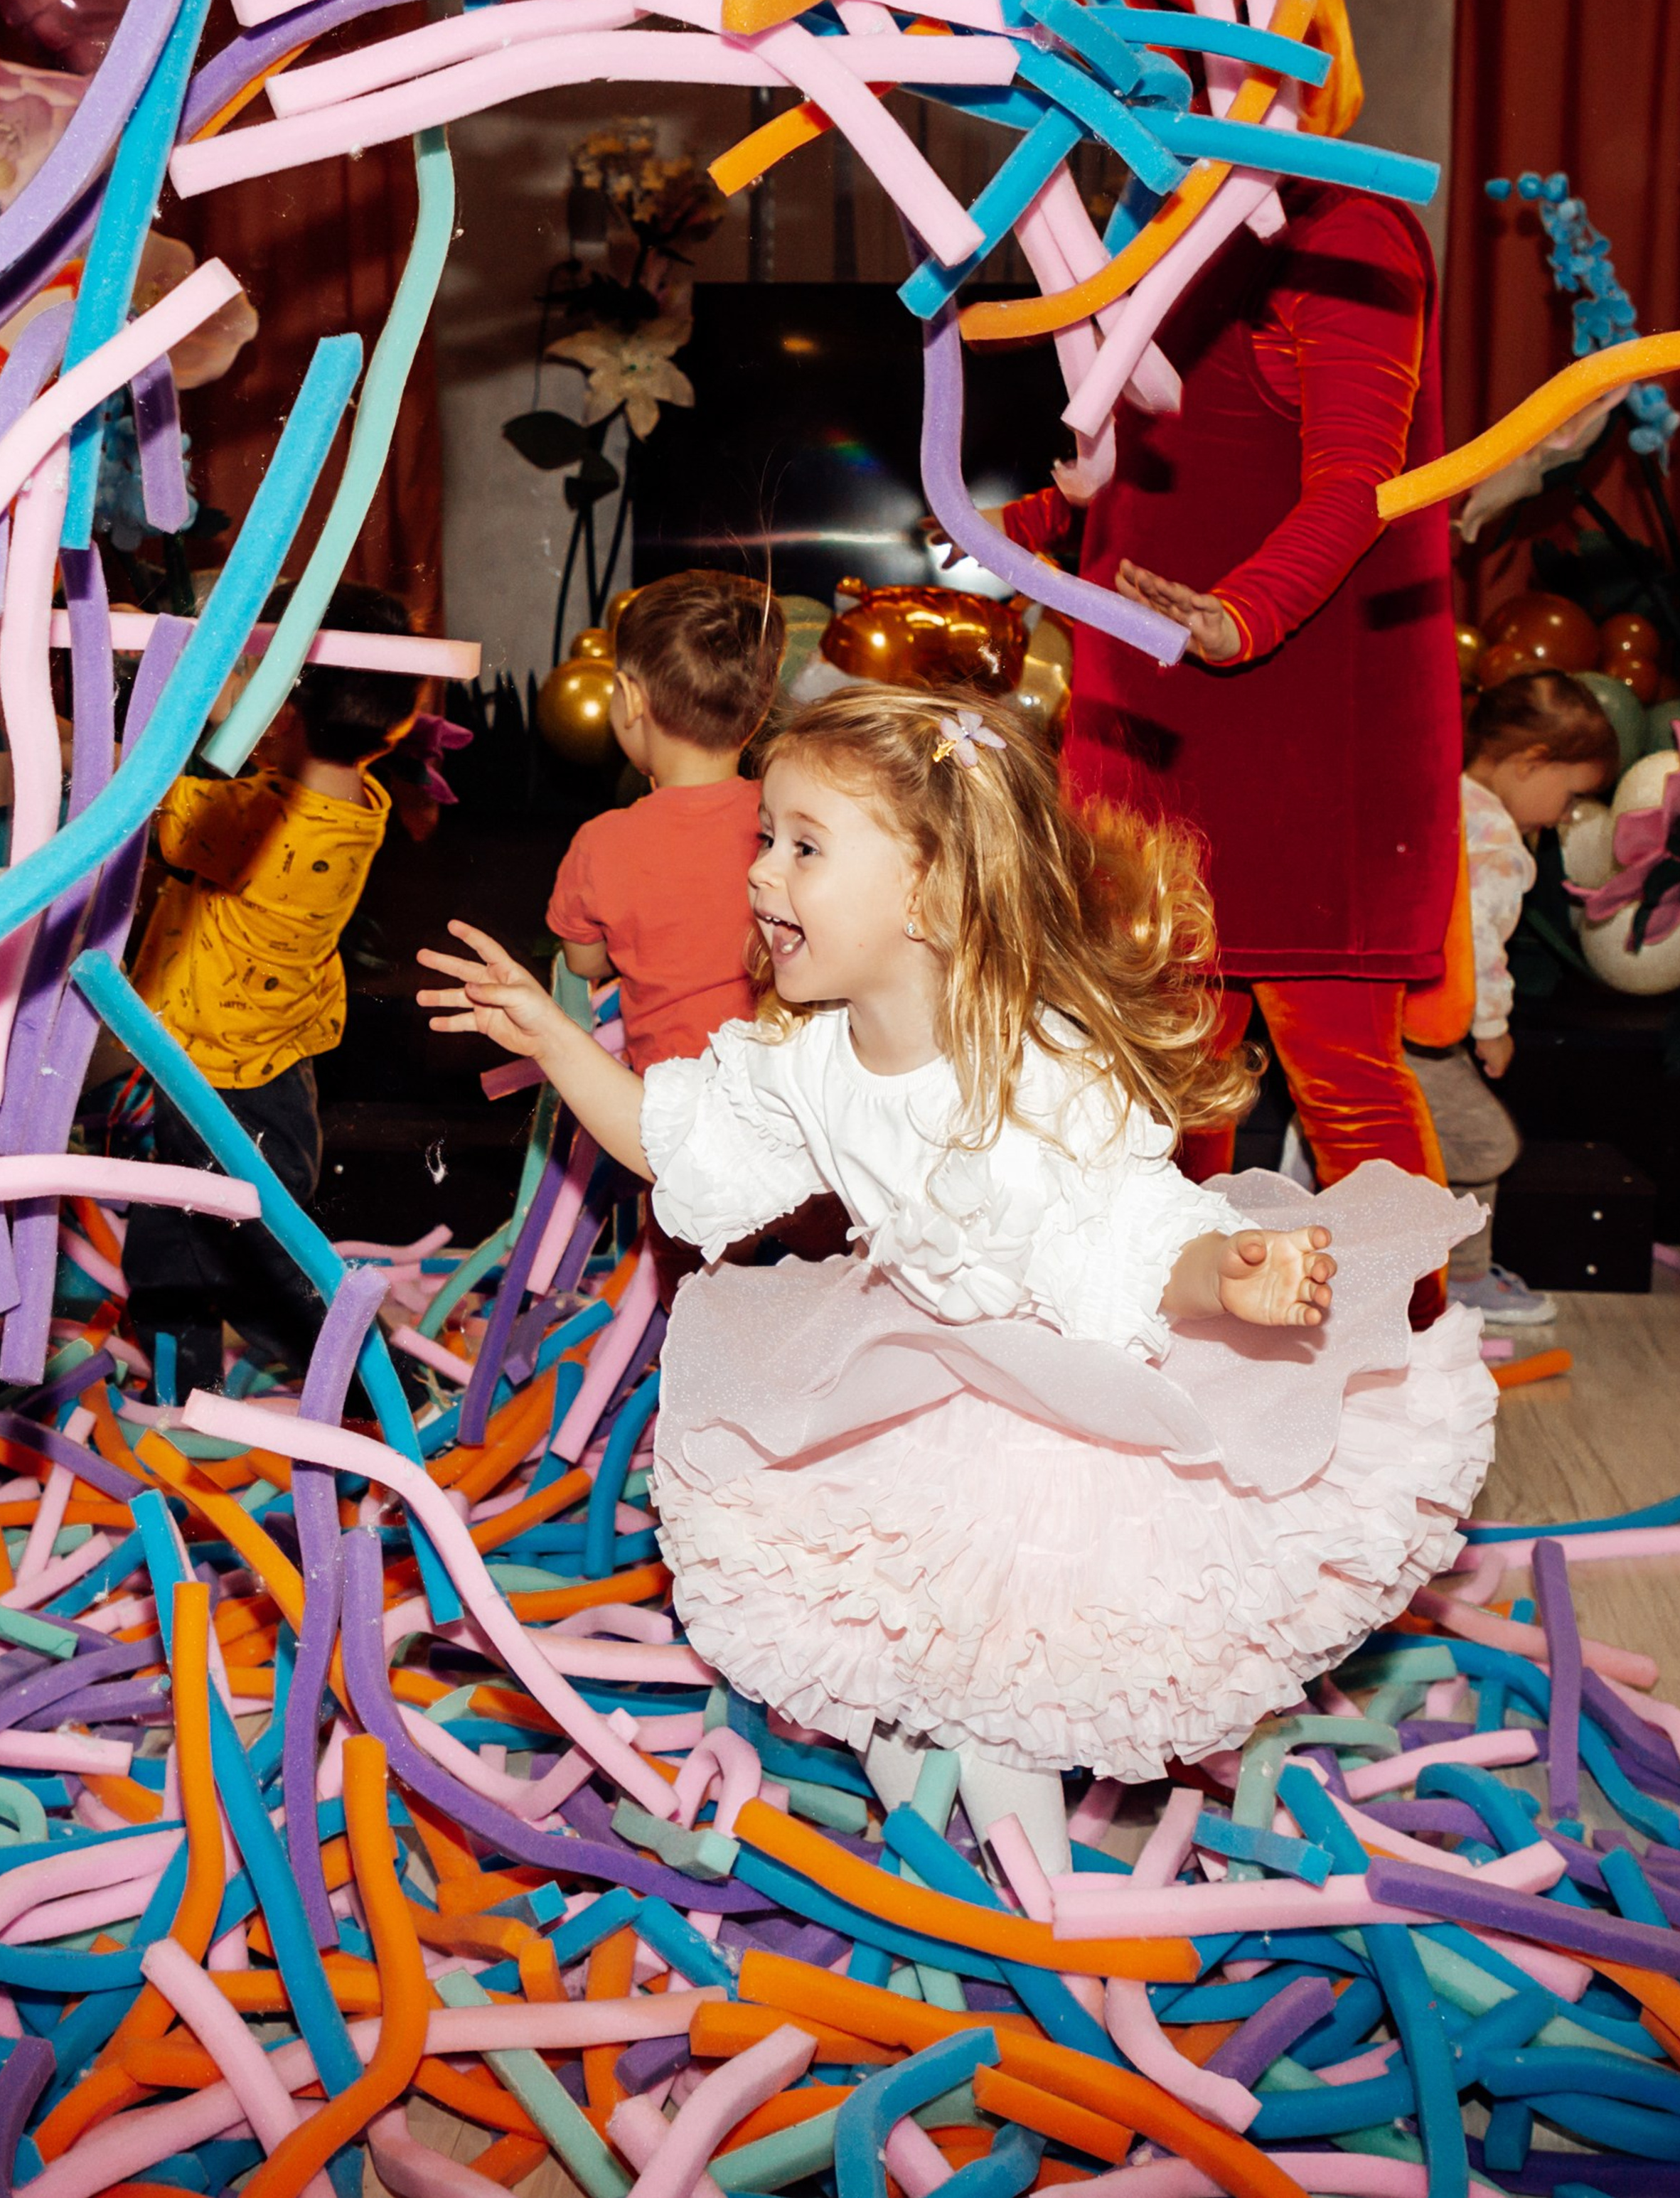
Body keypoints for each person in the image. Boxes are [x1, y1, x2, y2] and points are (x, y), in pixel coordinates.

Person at [418, 687, 1492, 1866]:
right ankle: (947, 1868)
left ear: (929, 893)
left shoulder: (1037, 1065)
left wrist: (1216, 1280)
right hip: (909, 1375)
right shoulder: (803, 1059)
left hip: (1062, 1410)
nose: (765, 874)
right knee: (875, 1661)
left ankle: (1035, 1915)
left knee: (1004, 1701)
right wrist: (560, 1038)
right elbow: (683, 1147)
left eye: (806, 847)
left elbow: (1124, 1236)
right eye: (765, 838)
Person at [974, 0, 1462, 1325]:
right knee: (1165, 1090)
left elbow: (1348, 486)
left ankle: (1403, 1391)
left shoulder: (1344, 232)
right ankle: (1178, 1367)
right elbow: (1146, 462)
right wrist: (1035, 525)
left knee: (1337, 1079)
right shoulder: (1152, 227)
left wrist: (1235, 616)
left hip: (1304, 741)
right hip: (1153, 739)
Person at [119, 584, 419, 1398]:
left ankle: (377, 1391)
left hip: (231, 1082)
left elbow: (157, 808)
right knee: (174, 1237)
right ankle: (182, 1392)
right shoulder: (344, 806)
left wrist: (179, 703)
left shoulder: (257, 819)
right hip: (248, 1066)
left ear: (281, 708)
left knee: (258, 1257)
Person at [1406, 671, 1617, 1328]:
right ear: (1532, 762)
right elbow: (1472, 939)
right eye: (1572, 796)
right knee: (1487, 1144)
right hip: (1428, 1023)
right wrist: (1493, 1023)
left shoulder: (1438, 792)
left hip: (1382, 1008)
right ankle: (1464, 1276)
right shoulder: (1495, 836)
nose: (1566, 817)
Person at [548, 572, 785, 1071]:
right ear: (761, 708)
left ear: (632, 699)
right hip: (782, 1089)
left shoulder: (600, 842)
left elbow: (584, 963)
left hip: (667, 1103)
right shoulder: (790, 823)